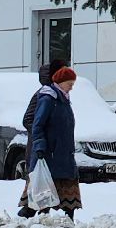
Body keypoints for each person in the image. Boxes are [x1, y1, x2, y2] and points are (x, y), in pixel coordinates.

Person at [27, 65, 83, 220]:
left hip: (64, 152)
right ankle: (38, 216)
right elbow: (37, 124)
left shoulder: (63, 99)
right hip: (50, 152)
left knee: (67, 185)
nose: (72, 87)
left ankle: (68, 217)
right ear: (61, 81)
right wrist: (39, 145)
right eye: (70, 83)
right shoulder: (48, 98)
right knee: (46, 184)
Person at [15, 60, 62, 218]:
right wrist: (42, 134)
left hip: (51, 147)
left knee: (46, 183)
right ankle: (31, 215)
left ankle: (39, 214)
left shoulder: (58, 94)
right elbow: (28, 120)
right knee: (39, 181)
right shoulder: (42, 95)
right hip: (39, 147)